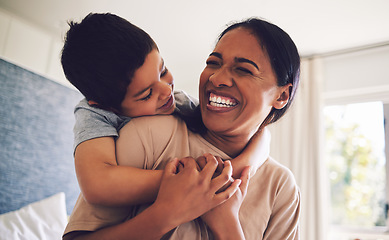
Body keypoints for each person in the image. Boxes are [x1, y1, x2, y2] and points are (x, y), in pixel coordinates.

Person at [65, 17, 301, 239]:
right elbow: (98, 185)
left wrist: (228, 225)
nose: (217, 78)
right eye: (213, 63)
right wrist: (174, 204)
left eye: (244, 69)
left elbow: (262, 134)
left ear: (282, 95)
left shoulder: (282, 187)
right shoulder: (142, 132)